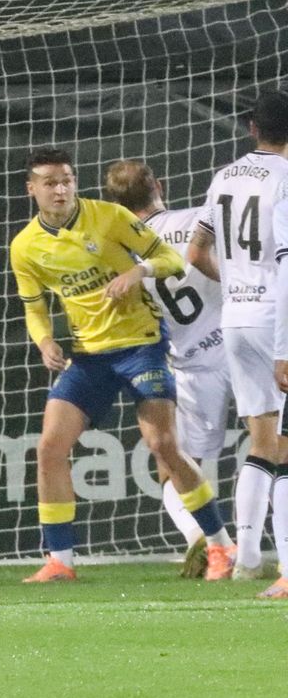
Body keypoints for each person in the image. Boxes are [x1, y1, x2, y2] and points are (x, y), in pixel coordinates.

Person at [10, 148, 232, 583]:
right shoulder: (25, 247)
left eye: (67, 180)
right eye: (50, 182)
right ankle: (60, 561)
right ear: (31, 188)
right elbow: (34, 307)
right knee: (49, 449)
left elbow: (171, 259)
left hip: (141, 346)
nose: (60, 189)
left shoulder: (109, 216)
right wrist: (44, 341)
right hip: (89, 356)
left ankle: (221, 545)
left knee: (163, 446)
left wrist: (138, 271)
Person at [102, 160, 232, 577]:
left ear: (115, 205)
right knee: (270, 451)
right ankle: (254, 550)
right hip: (241, 344)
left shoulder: (119, 252)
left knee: (175, 465)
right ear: (159, 186)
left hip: (192, 367)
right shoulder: (196, 219)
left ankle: (203, 539)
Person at [189, 89, 288, 596]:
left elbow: (195, 249)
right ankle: (286, 566)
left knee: (261, 441)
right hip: (278, 320)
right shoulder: (287, 178)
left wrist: (232, 285)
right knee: (285, 447)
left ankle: (248, 557)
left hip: (235, 318)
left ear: (252, 128)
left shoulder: (224, 176)